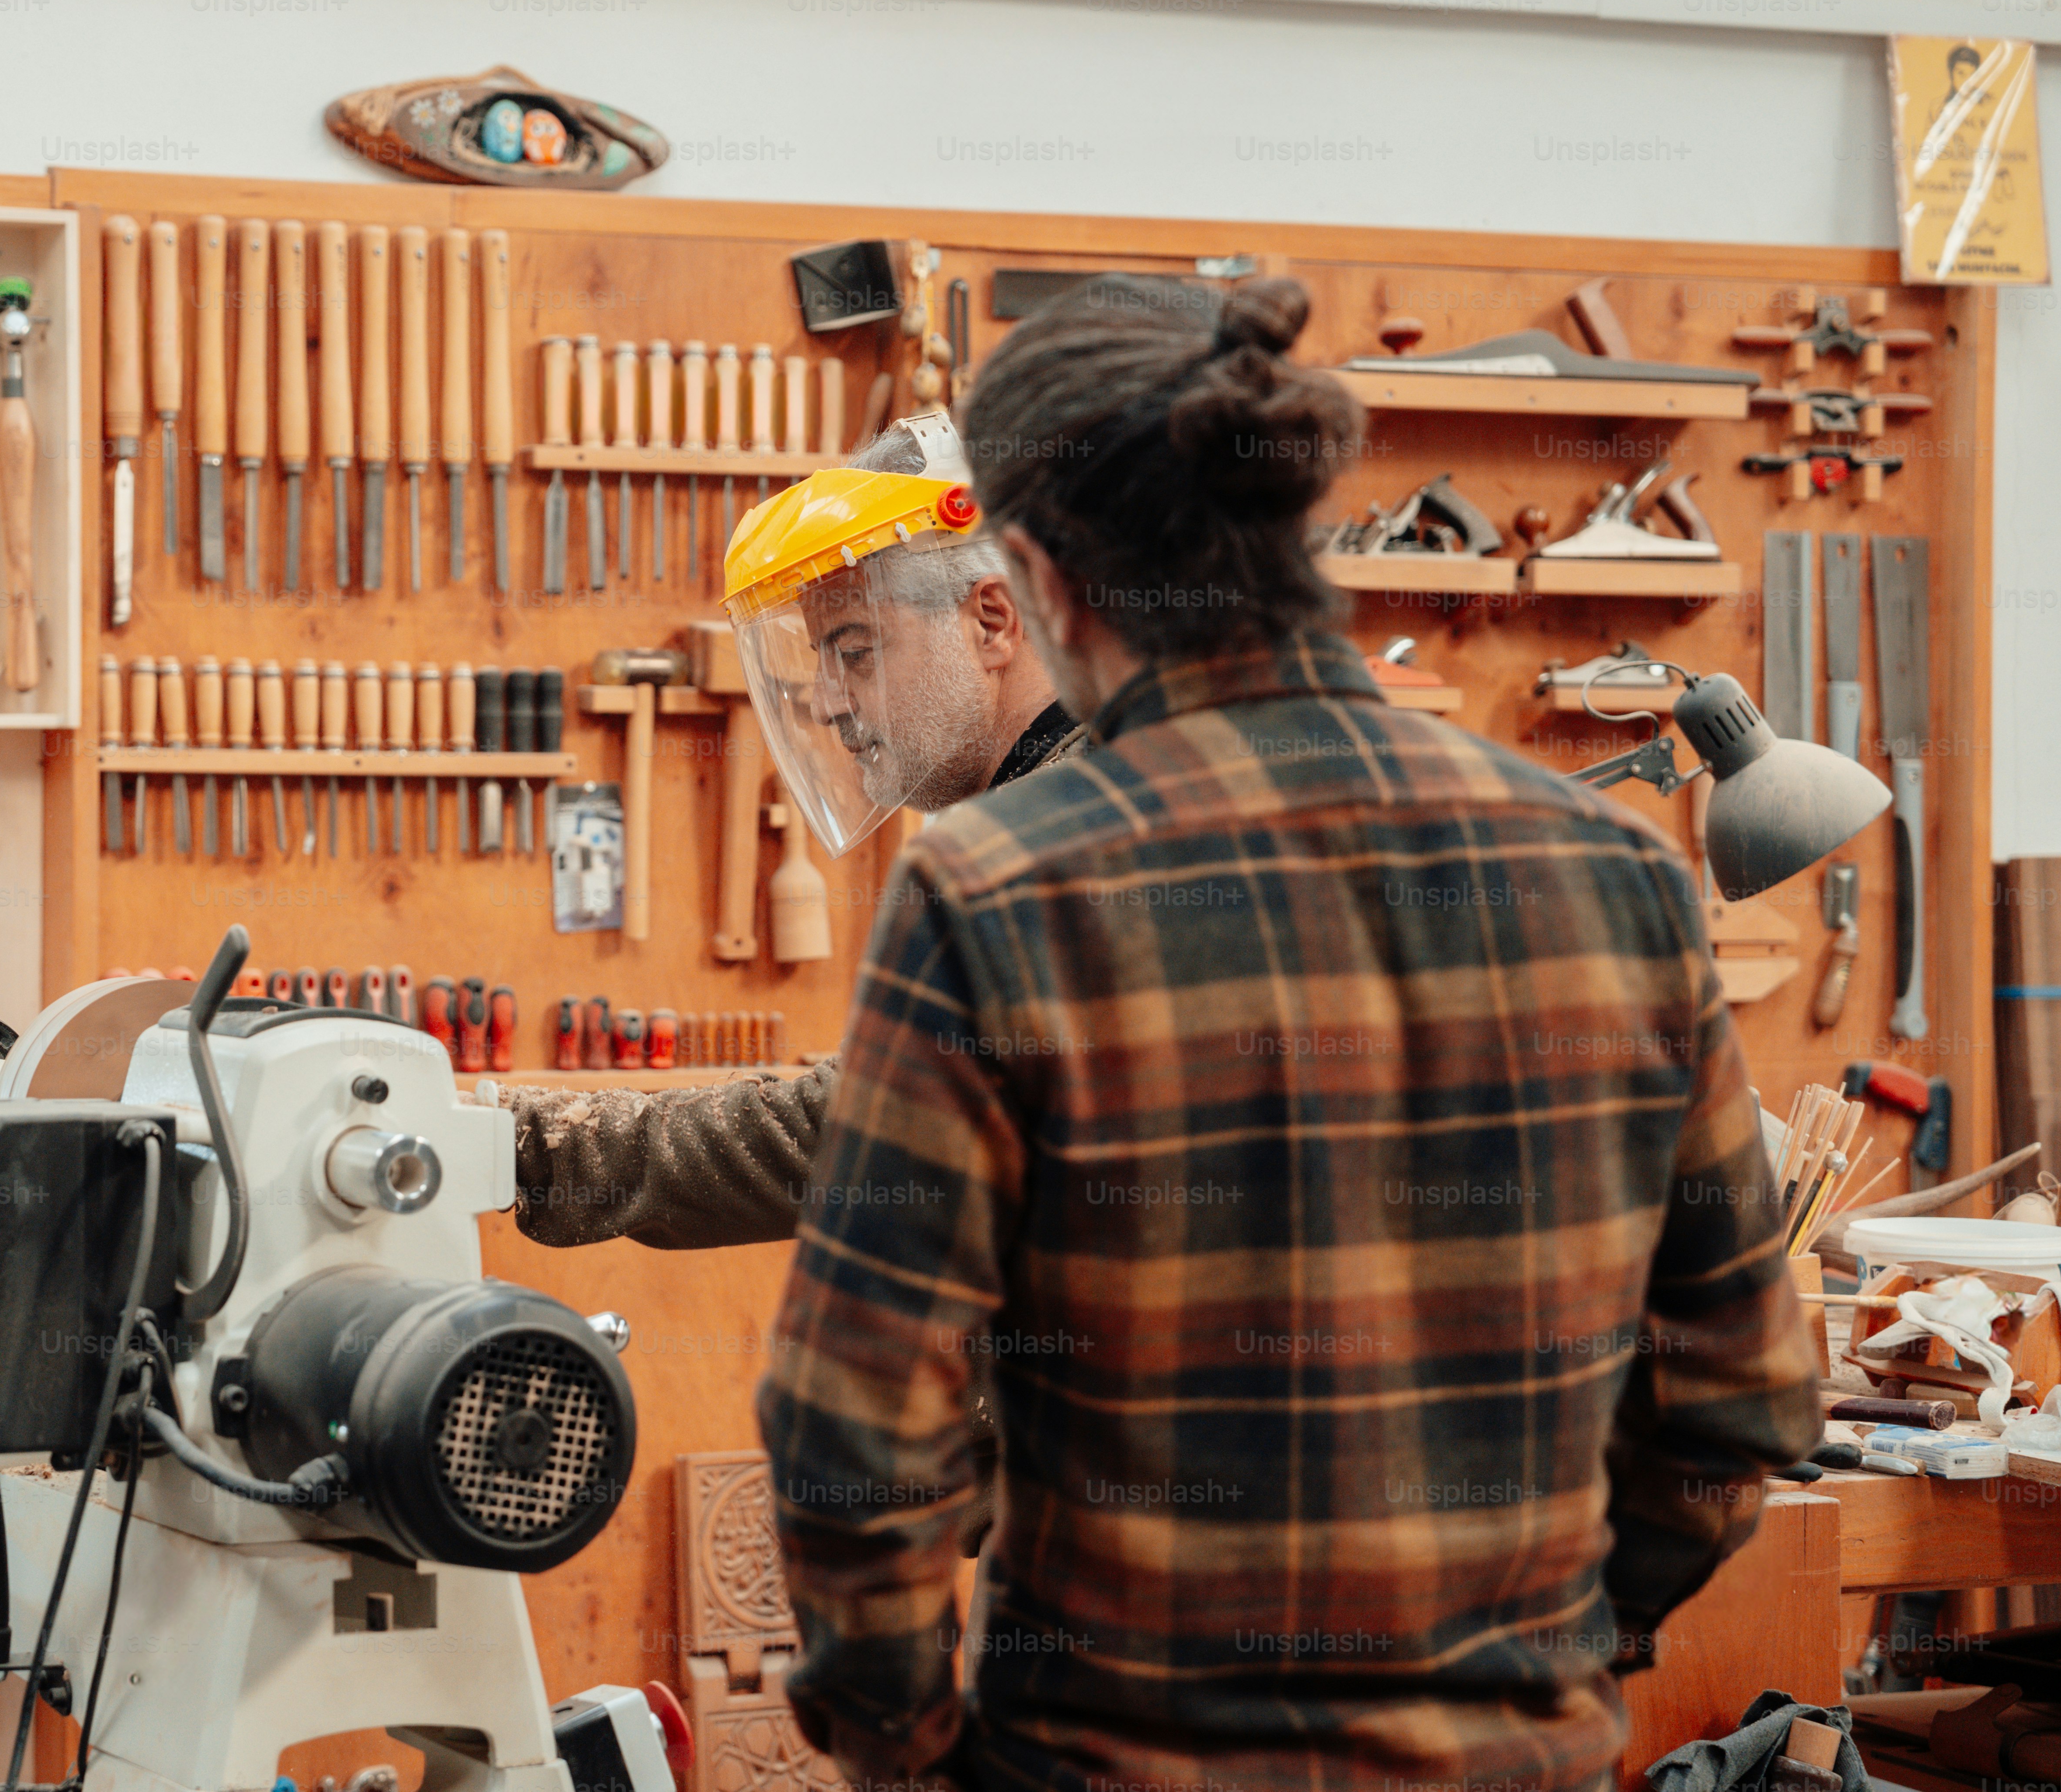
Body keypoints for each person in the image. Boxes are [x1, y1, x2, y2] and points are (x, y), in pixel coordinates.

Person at [755, 279, 1822, 1792]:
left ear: (1038, 577)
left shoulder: (999, 887)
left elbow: (850, 1433)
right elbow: (1740, 1399)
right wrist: (1552, 1646)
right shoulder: (1621, 875)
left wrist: (916, 1757)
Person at [506, 415, 1077, 1250]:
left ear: (991, 621)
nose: (831, 702)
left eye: (855, 651)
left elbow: (863, 1131)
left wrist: (539, 1149)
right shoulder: (1078, 790)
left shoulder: (1064, 841)